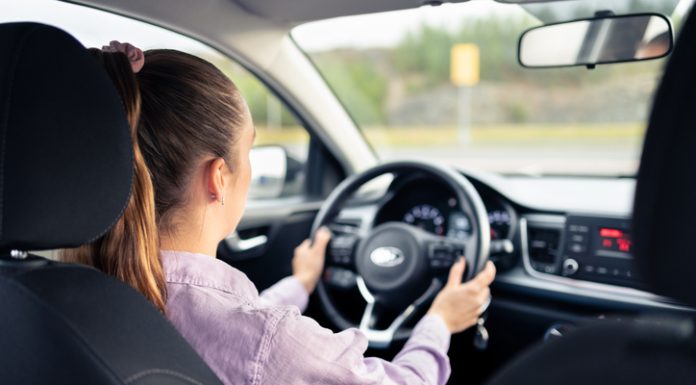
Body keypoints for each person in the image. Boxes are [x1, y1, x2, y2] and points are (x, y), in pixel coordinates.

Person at [63, 41, 496, 385]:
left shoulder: (66, 294)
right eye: (248, 150)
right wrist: (439, 321)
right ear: (218, 177)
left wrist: (301, 283)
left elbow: (230, 332)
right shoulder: (269, 342)